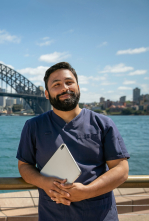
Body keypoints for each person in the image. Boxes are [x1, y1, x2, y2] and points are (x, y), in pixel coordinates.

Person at [16, 62, 130, 221]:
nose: (64, 88)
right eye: (56, 84)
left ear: (78, 87)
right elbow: (24, 166)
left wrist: (88, 191)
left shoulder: (103, 123)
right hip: (53, 215)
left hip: (100, 215)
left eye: (69, 82)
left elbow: (121, 169)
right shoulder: (33, 126)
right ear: (47, 94)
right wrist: (44, 182)